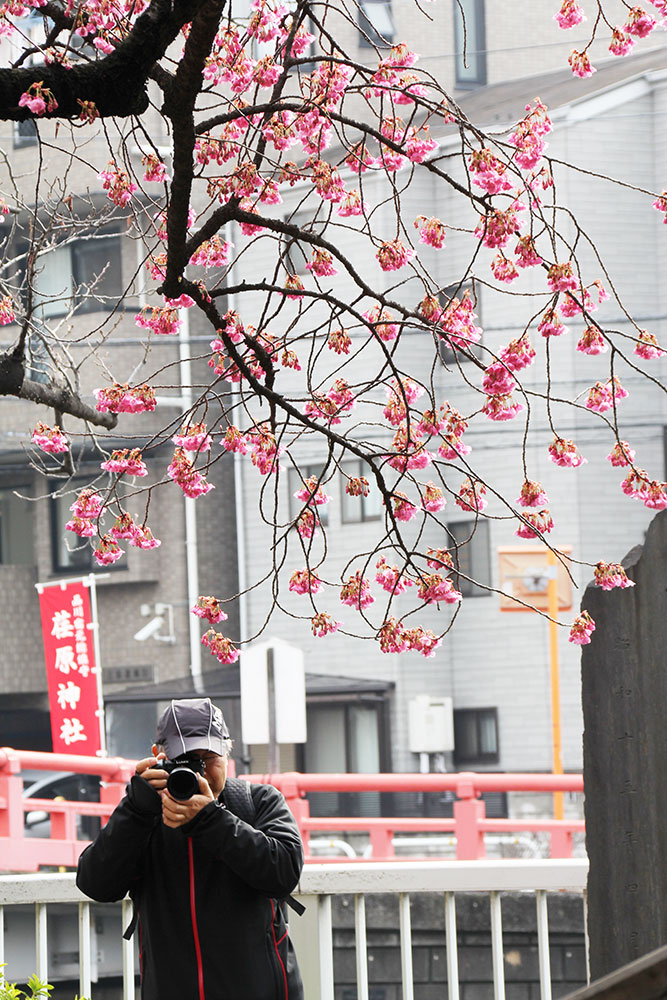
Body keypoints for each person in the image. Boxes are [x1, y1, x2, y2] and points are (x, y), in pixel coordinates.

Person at [76, 697, 304, 1000]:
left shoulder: (258, 802)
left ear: (227, 750)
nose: (201, 773)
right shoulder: (144, 816)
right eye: (187, 760)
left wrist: (211, 820)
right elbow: (96, 884)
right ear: (159, 756)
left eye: (209, 758)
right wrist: (134, 810)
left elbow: (285, 872)